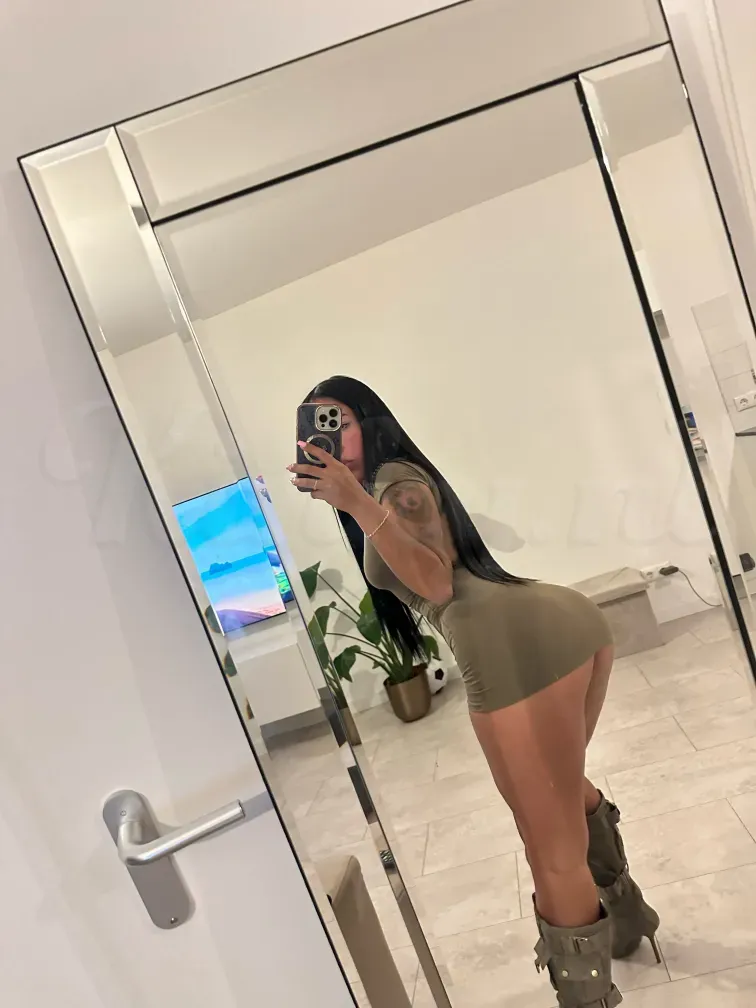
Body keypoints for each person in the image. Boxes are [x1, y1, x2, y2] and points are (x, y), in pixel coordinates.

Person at [290, 376, 660, 1008]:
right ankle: (627, 922)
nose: (329, 437)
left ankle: (589, 995)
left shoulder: (393, 484)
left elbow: (437, 584)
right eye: (315, 424)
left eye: (340, 421)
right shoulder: (386, 488)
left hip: (514, 647)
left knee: (549, 849)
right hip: (543, 628)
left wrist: (355, 502)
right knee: (560, 796)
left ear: (370, 423)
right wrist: (355, 503)